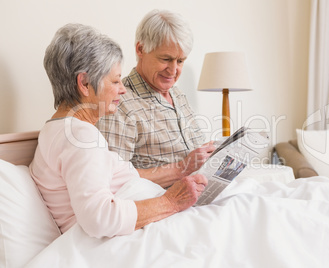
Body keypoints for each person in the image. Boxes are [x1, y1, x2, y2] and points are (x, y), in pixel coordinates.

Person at [29, 23, 208, 238]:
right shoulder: (82, 137)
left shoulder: (56, 129)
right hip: (121, 241)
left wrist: (182, 172)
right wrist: (171, 202)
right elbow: (100, 218)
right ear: (84, 83)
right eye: (115, 81)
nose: (123, 89)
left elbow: (114, 179)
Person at [96, 9, 215, 188]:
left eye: (181, 61)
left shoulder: (179, 95)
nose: (174, 70)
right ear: (141, 49)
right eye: (166, 59)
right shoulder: (119, 103)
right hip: (163, 203)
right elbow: (113, 179)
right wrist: (182, 168)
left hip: (200, 192)